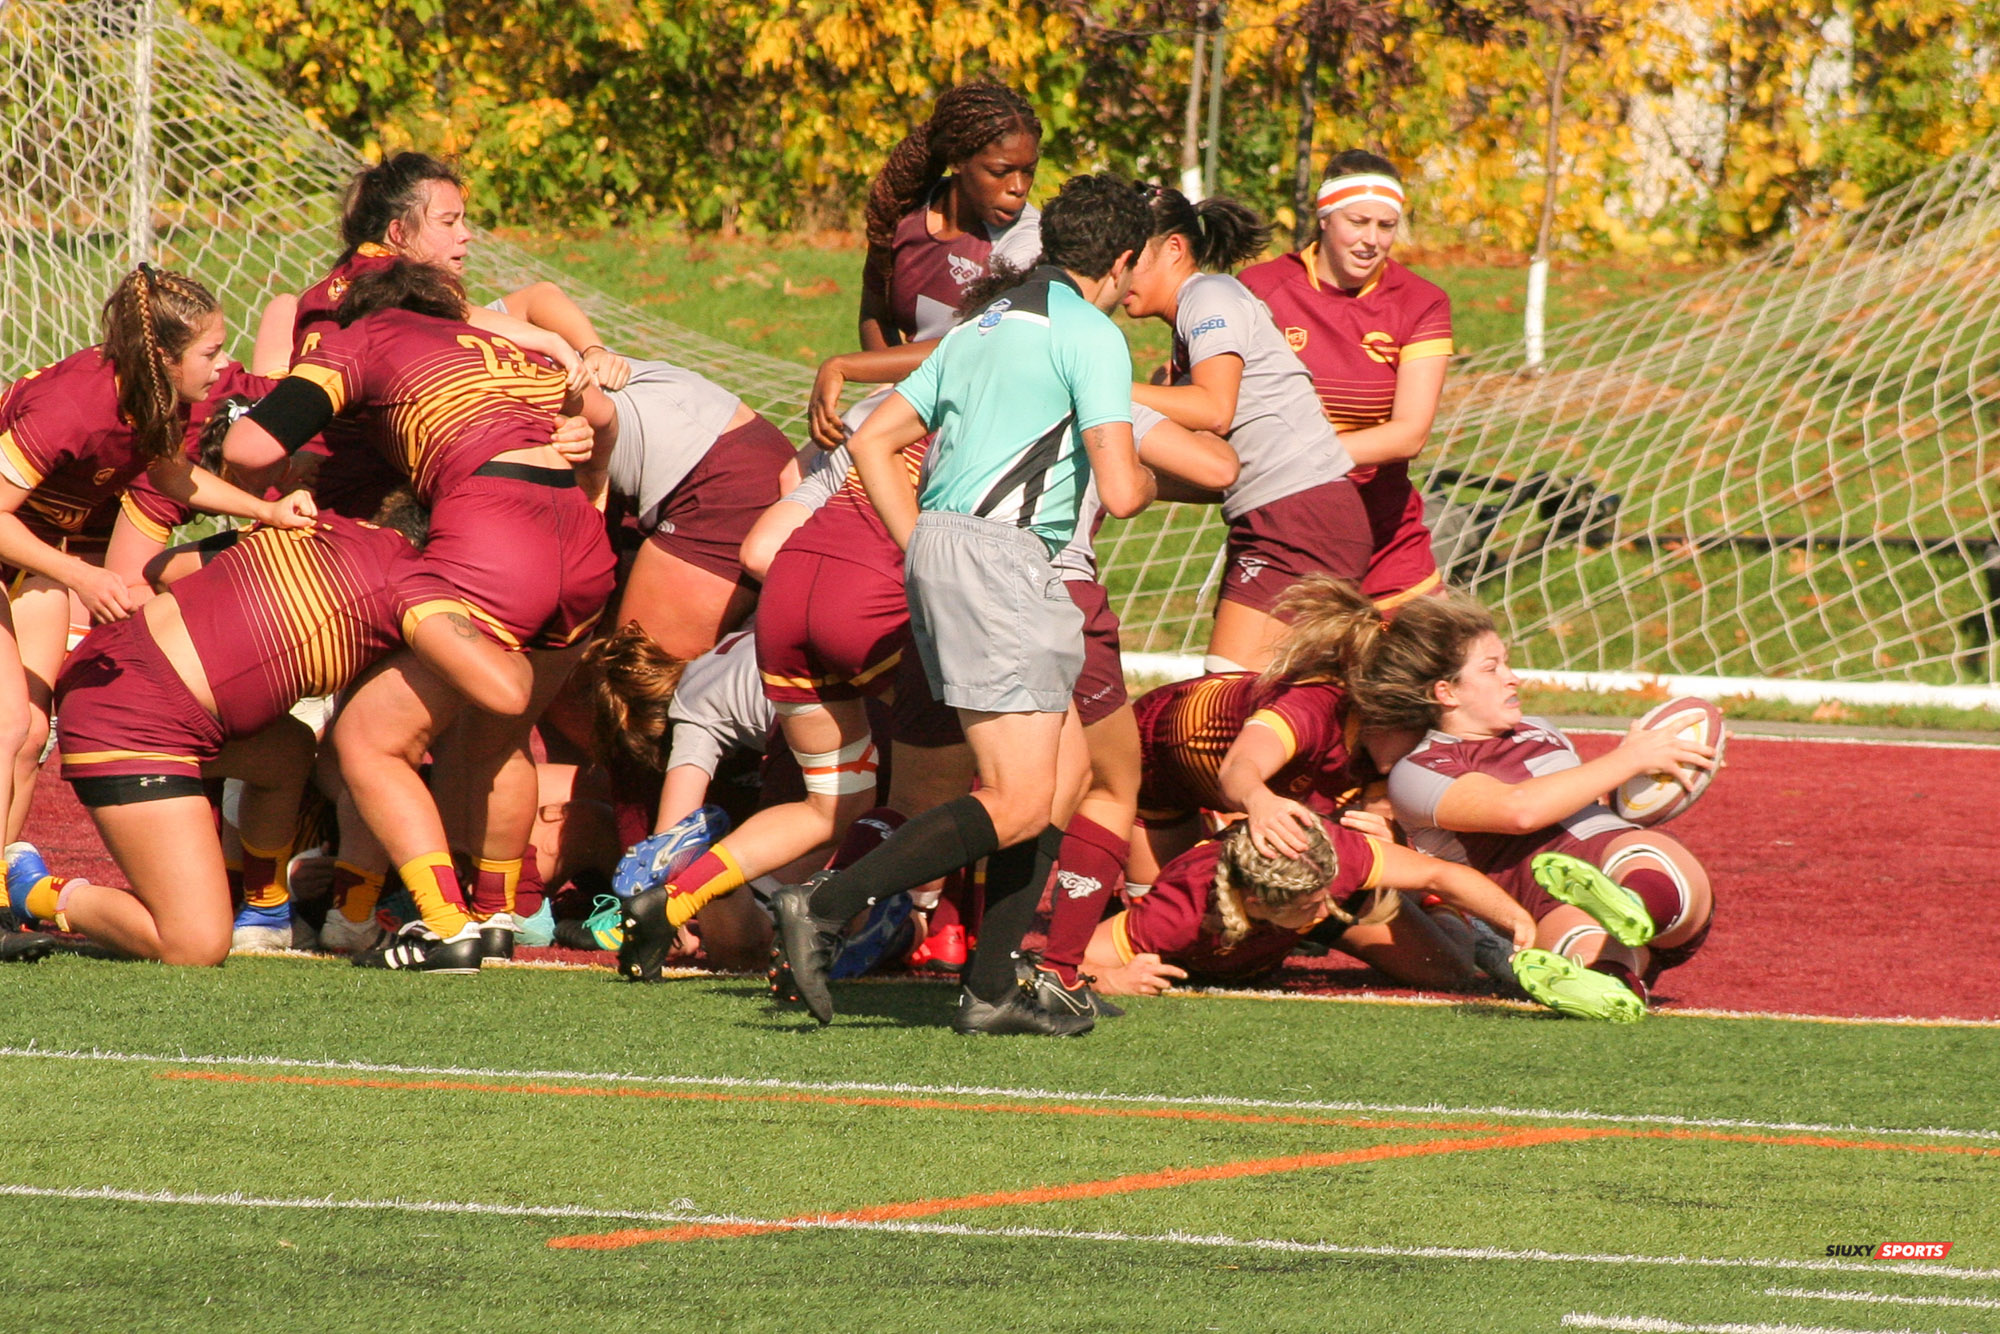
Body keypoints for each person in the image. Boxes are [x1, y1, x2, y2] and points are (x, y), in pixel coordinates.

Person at [771, 172, 1158, 1035]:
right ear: (1123, 262)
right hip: (1006, 558)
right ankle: (826, 906)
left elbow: (874, 438)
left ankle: (991, 988)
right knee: (1021, 798)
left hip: (956, 546)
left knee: (1063, 778)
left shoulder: (980, 321)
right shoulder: (1089, 333)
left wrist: (921, 544)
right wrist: (1165, 469)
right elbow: (1125, 493)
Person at [222, 260, 616, 971]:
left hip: (495, 540)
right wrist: (595, 488)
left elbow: (251, 446)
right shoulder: (510, 346)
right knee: (501, 739)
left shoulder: (363, 334)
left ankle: (443, 923)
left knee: (367, 741)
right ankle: (497, 917)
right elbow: (604, 418)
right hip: (582, 547)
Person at [9, 501, 529, 966]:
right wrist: (527, 644)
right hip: (133, 718)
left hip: (127, 673)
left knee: (288, 751)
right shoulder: (409, 578)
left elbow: (168, 567)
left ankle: (265, 910)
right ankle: (38, 890)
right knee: (194, 945)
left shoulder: (317, 522)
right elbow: (505, 692)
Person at [0, 267, 316, 909]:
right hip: (23, 548)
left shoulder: (157, 397)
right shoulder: (74, 406)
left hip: (30, 557)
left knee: (31, 732)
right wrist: (82, 573)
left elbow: (175, 476)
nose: (223, 364)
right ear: (163, 357)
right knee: (6, 727)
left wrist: (271, 514)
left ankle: (2, 892)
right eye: (210, 351)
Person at [1362, 593, 1720, 1019]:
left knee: (1641, 853)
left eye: (1507, 663)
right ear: (1446, 692)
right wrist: (1629, 759)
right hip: (1546, 905)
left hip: (1626, 864)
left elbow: (1583, 807)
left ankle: (1633, 903)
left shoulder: (1540, 729)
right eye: (1492, 668)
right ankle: (1613, 983)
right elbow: (1520, 811)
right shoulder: (1419, 771)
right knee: (1581, 943)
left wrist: (1645, 784)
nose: (1512, 678)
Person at [1119, 188, 1370, 672]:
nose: (1120, 273)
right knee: (1292, 706)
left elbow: (1214, 409)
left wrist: (1098, 387)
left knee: (1222, 699)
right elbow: (1220, 473)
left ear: (1174, 248)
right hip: (1287, 517)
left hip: (1302, 517)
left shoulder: (1210, 294)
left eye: (1130, 257)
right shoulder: (1190, 326)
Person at [1239, 150, 1453, 609]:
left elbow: (1410, 433)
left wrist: (1291, 458)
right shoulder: (1260, 289)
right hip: (1284, 536)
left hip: (1387, 540)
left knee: (1433, 675)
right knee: (1268, 680)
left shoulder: (1421, 302)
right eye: (1357, 222)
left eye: (1386, 225)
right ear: (1324, 218)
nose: (1371, 239)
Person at [809, 81, 1043, 449]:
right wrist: (890, 388)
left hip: (979, 423)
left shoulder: (1025, 243)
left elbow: (974, 349)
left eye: (1028, 171)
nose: (1019, 187)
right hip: (910, 407)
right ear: (958, 161)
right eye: (1001, 171)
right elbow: (876, 314)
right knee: (792, 477)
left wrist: (845, 367)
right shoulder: (902, 215)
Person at [1079, 815, 1533, 998]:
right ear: (1256, 903)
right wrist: (1113, 979)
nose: (1328, 910)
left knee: (1448, 969)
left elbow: (1444, 874)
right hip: (1234, 922)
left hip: (1295, 899)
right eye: (1314, 907)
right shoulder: (1180, 914)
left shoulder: (1336, 862)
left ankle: (1428, 908)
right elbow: (1059, 966)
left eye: (1329, 897)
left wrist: (1515, 919)